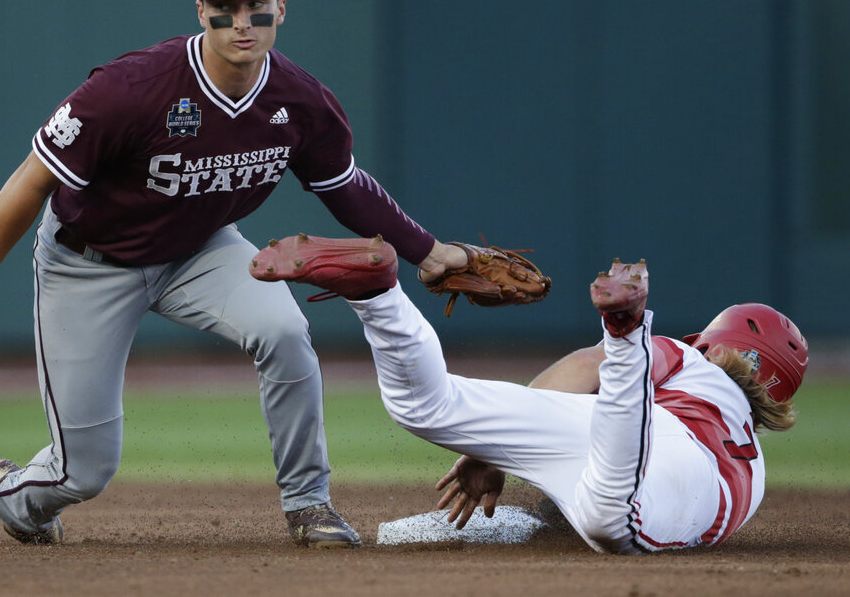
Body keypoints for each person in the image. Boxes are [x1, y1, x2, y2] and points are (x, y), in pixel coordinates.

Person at [0, 0, 466, 548]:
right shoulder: (132, 89)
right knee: (85, 470)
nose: (242, 22)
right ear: (200, 13)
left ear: (281, 9)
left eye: (257, 5)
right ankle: (20, 497)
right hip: (88, 264)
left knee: (285, 333)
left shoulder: (301, 101)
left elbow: (344, 188)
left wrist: (430, 251)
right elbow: (33, 178)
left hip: (201, 250)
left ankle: (310, 504)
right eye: (223, 8)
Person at [250, 237, 809, 553]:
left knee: (424, 405)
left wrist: (497, 445)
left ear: (718, 347)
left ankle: (377, 295)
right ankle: (627, 337)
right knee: (613, 520)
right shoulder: (755, 473)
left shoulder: (692, 362)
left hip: (634, 427)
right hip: (677, 473)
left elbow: (583, 366)